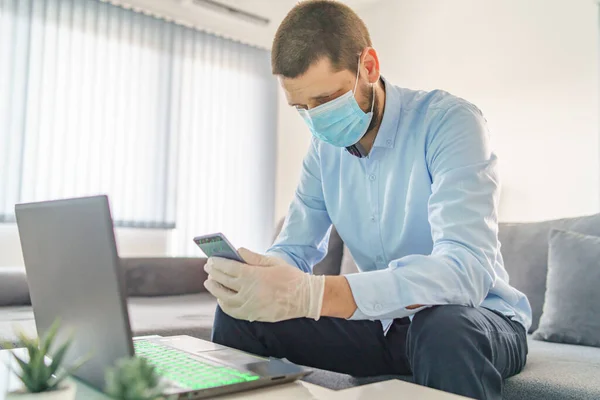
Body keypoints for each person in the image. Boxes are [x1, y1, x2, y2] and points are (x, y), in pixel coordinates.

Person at [203, 1, 531, 399]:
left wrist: (316, 294)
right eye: (300, 108)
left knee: (442, 328)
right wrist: (260, 277)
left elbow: (464, 272)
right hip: (381, 325)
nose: (315, 119)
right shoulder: (322, 152)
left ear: (369, 67)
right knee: (241, 314)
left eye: (326, 101)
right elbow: (294, 248)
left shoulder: (449, 122)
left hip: (477, 319)